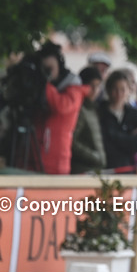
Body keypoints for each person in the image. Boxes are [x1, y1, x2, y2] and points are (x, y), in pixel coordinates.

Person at [32, 42, 85, 175]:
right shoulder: (40, 88)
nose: (46, 73)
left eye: (49, 69)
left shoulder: (73, 88)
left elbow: (61, 107)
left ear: (59, 66)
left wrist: (45, 84)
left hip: (56, 162)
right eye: (43, 69)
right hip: (33, 157)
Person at [98, 69, 137, 172]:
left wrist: (113, 135)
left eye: (123, 89)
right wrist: (127, 137)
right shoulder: (100, 112)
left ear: (129, 90)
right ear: (108, 90)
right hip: (104, 167)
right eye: (115, 89)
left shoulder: (135, 114)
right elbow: (102, 142)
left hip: (127, 168)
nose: (119, 94)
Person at [71, 67, 106, 174]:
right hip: (81, 170)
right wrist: (94, 156)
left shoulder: (94, 109)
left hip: (94, 170)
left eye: (98, 86)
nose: (95, 90)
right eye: (91, 86)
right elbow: (72, 141)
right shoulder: (79, 109)